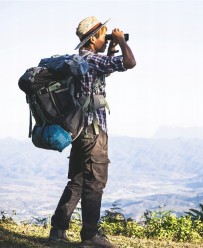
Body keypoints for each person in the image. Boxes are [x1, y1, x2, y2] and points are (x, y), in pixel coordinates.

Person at [49, 16, 136, 248]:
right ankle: (90, 236)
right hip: (94, 131)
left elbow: (101, 72)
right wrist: (121, 42)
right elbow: (130, 63)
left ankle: (58, 230)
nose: (105, 37)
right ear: (93, 38)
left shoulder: (81, 60)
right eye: (103, 35)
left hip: (77, 130)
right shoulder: (93, 60)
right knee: (95, 183)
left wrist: (110, 47)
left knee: (77, 181)